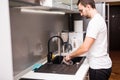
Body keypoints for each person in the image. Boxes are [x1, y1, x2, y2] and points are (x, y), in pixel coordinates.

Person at [64, 0, 112, 80]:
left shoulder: (94, 22)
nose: (81, 14)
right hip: (103, 65)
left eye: (81, 10)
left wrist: (69, 56)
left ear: (88, 7)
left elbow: (85, 48)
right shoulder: (99, 19)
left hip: (98, 68)